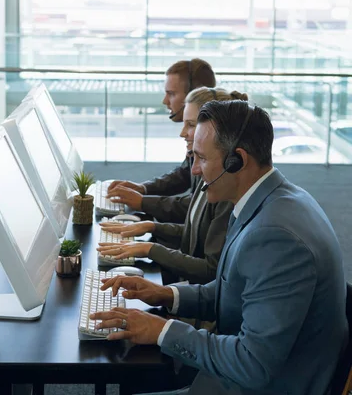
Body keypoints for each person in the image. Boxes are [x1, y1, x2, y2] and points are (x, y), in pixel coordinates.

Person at [91, 100, 348, 395]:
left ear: (236, 161)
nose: (195, 170)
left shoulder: (275, 237)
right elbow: (232, 290)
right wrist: (165, 294)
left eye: (201, 158)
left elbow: (253, 365)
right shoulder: (272, 199)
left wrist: (161, 330)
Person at [98, 87, 242, 285]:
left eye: (191, 125)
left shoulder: (224, 186)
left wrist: (151, 247)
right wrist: (152, 227)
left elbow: (211, 270)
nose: (183, 133)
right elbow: (196, 231)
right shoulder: (208, 171)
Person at [106, 58, 216, 206]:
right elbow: (184, 174)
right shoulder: (197, 134)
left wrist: (143, 202)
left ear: (193, 94)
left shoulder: (215, 141)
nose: (165, 101)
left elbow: (198, 210)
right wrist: (143, 189)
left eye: (171, 94)